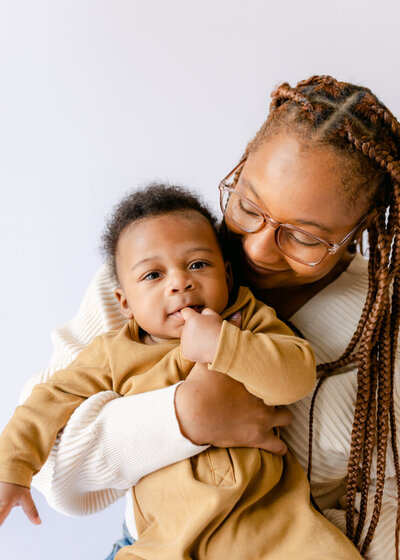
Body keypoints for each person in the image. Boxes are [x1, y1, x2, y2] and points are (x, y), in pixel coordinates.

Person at [17, 75, 400, 560]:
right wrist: (184, 416)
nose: (257, 247)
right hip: (159, 546)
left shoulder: (385, 325)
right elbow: (54, 471)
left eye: (305, 237)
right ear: (240, 165)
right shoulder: (152, 268)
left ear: (361, 228)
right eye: (247, 205)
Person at [0, 185, 358, 560]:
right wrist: (13, 467)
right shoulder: (113, 353)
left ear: (227, 274)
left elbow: (296, 378)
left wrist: (225, 345)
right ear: (124, 303)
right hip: (164, 544)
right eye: (153, 275)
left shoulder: (245, 320)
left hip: (277, 532)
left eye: (198, 265)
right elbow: (48, 399)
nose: (180, 282)